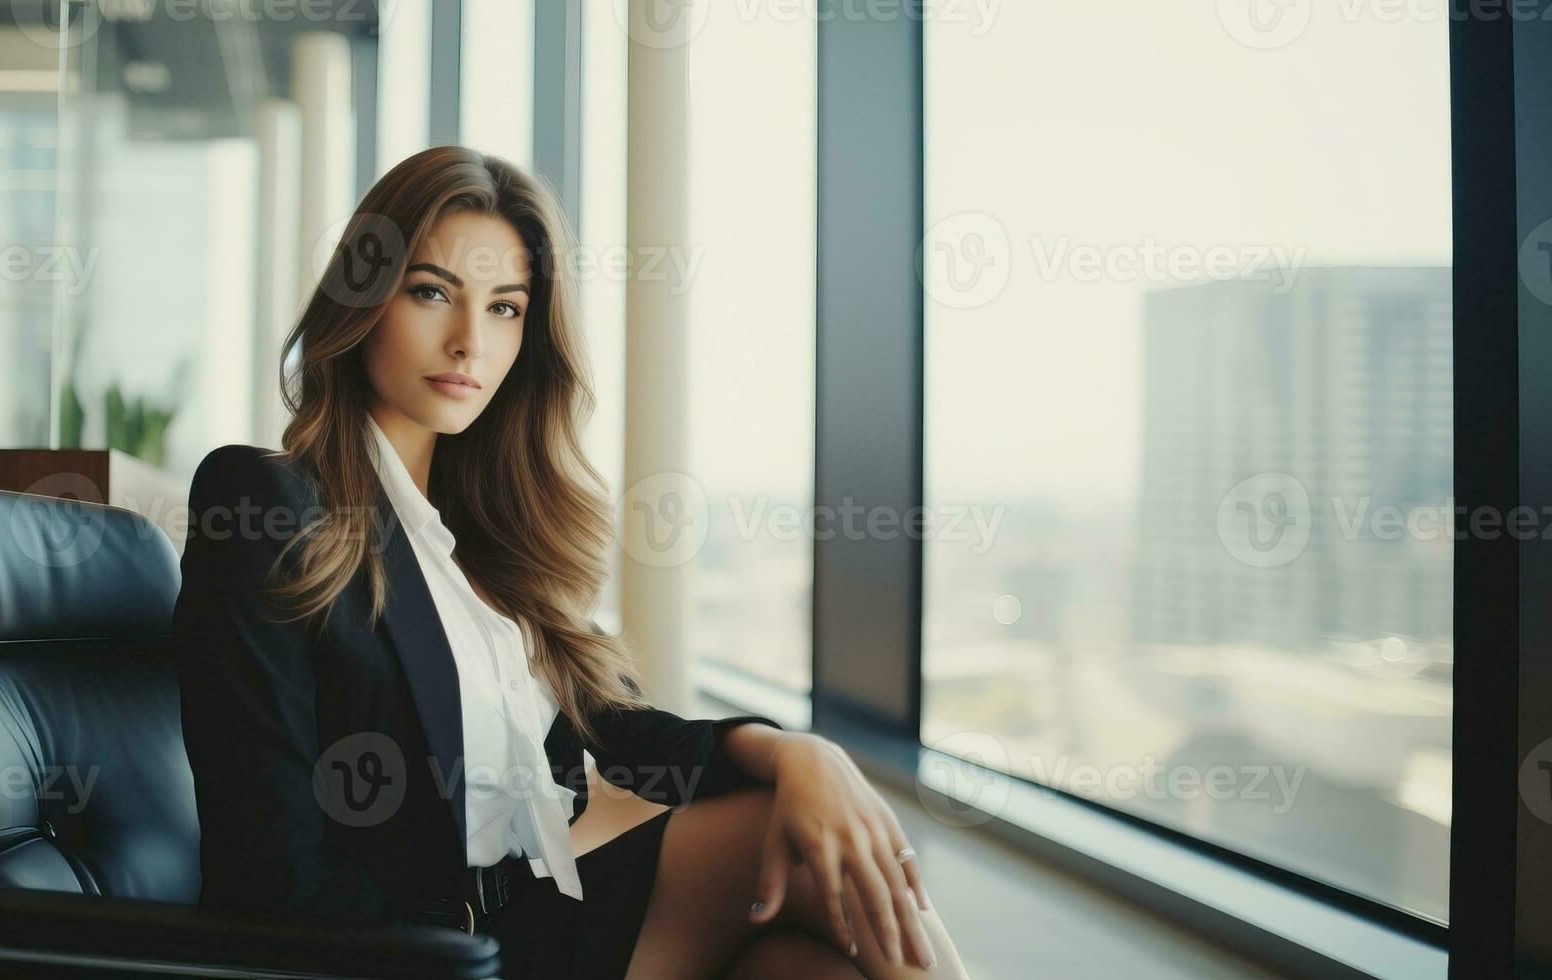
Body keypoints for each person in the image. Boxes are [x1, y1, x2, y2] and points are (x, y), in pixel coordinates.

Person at [175, 144, 971, 979]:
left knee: (811, 967)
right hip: (403, 957)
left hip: (528, 925)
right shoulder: (270, 504)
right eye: (432, 292)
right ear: (364, 297)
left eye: (505, 309)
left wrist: (802, 753)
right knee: (802, 855)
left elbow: (631, 736)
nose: (467, 342)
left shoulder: (483, 543)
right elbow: (268, 870)